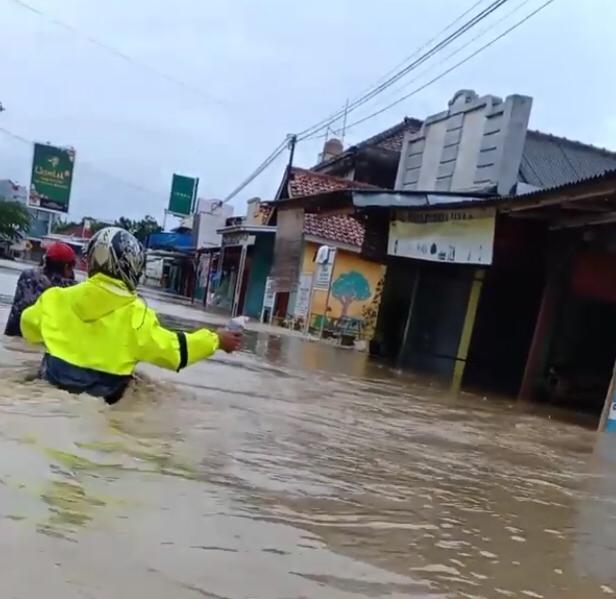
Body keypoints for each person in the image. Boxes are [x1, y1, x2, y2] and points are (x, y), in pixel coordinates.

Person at [20, 227, 242, 404]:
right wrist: (217, 340)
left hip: (50, 386)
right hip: (105, 401)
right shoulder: (138, 314)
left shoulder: (55, 298)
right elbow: (175, 351)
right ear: (132, 266)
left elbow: (27, 325)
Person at [4, 242, 77, 337]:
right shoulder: (70, 286)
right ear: (67, 267)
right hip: (45, 342)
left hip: (14, 335)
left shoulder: (27, 275)